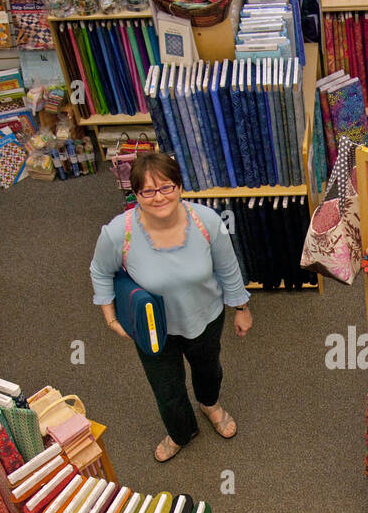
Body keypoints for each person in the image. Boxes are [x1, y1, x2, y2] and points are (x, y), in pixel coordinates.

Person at [90, 153, 251, 462]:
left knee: (209, 370)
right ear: (135, 194)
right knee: (166, 387)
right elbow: (99, 271)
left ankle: (210, 405)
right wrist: (110, 317)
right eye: (147, 191)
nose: (158, 197)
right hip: (152, 329)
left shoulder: (207, 222)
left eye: (166, 187)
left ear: (179, 186)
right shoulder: (117, 232)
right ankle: (180, 432)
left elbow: (229, 268)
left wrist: (241, 308)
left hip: (205, 317)